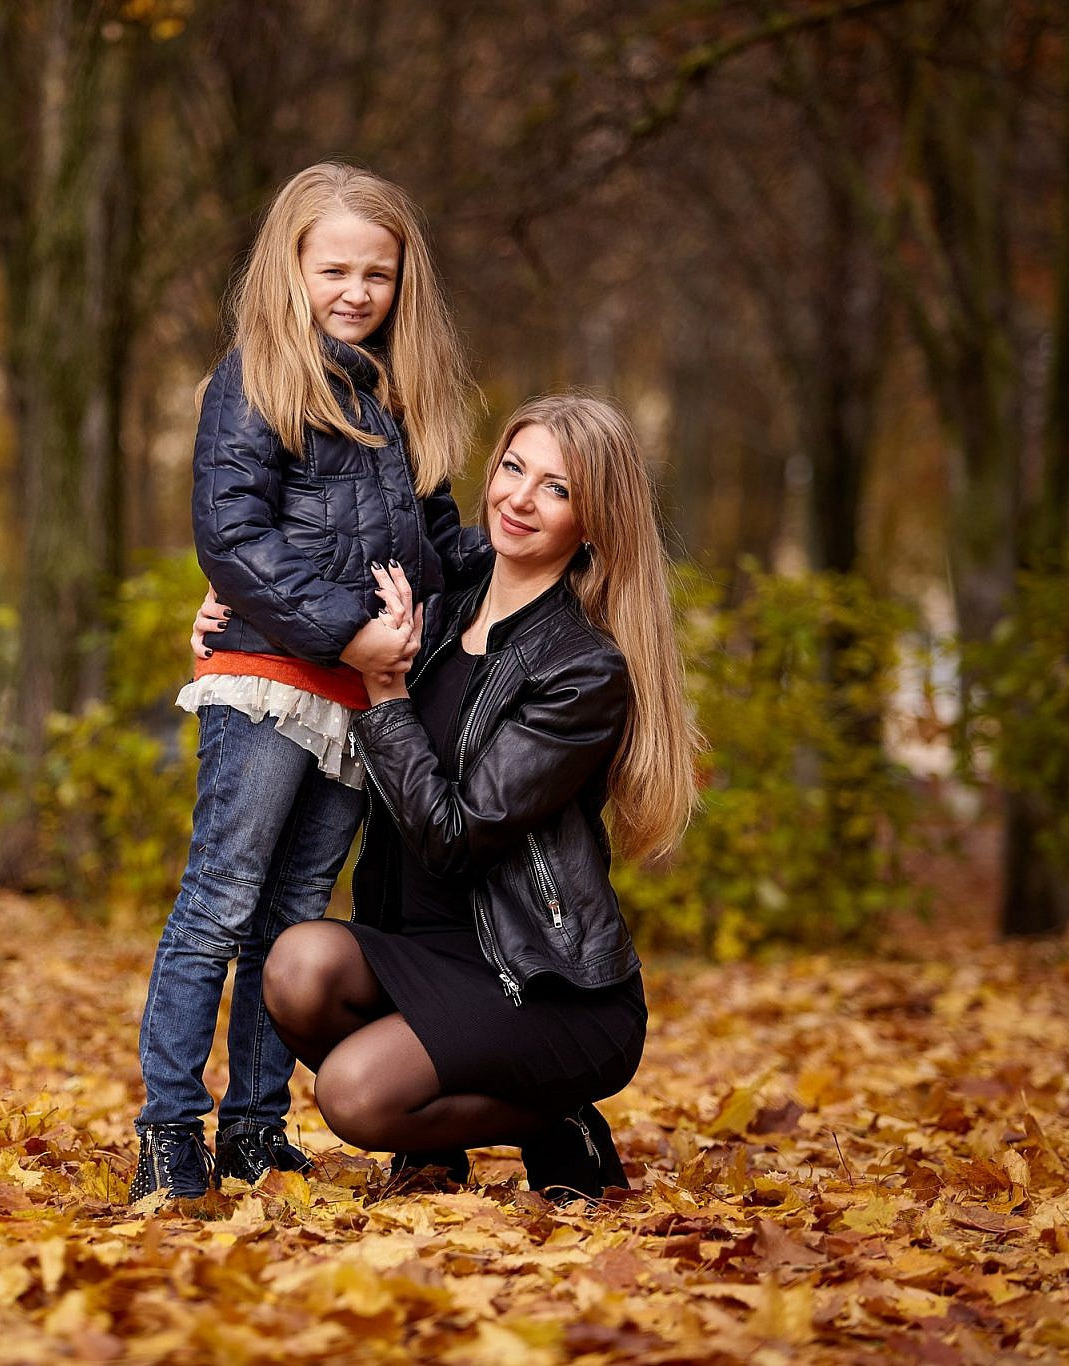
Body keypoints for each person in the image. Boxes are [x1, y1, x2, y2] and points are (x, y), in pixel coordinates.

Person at [129, 162, 489, 1201]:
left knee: (292, 916)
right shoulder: (256, 377)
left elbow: (433, 541)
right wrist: (346, 630)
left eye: (376, 273)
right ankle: (168, 1131)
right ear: (290, 266)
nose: (354, 290)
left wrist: (520, 561)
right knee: (220, 901)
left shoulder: (396, 396)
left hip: (350, 699)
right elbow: (231, 536)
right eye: (332, 267)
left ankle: (253, 1123)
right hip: (269, 680)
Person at [254, 394, 699, 1202]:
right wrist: (226, 624)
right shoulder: (440, 605)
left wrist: (387, 698)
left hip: (541, 983)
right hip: (416, 951)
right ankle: (441, 1153)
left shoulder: (581, 669)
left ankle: (550, 1116)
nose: (520, 499)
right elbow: (300, 578)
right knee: (296, 967)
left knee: (352, 1095)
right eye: (513, 469)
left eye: (557, 489)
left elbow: (455, 834)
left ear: (594, 522)